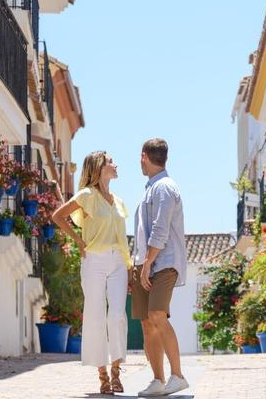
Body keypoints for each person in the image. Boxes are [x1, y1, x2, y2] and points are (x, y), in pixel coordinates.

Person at [52, 151, 132, 395]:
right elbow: (58, 216)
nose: (115, 164)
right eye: (110, 162)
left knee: (117, 315)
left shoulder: (117, 201)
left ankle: (117, 371)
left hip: (118, 261)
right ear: (98, 167)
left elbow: (121, 236)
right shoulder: (87, 195)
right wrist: (78, 241)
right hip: (94, 260)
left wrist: (129, 265)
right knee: (96, 315)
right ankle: (103, 376)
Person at [131, 138, 188, 397]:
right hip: (146, 263)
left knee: (157, 315)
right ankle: (158, 380)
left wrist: (148, 265)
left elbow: (160, 231)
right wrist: (139, 265)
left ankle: (177, 375)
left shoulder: (164, 187)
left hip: (163, 263)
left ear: (144, 156)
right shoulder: (150, 188)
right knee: (146, 322)